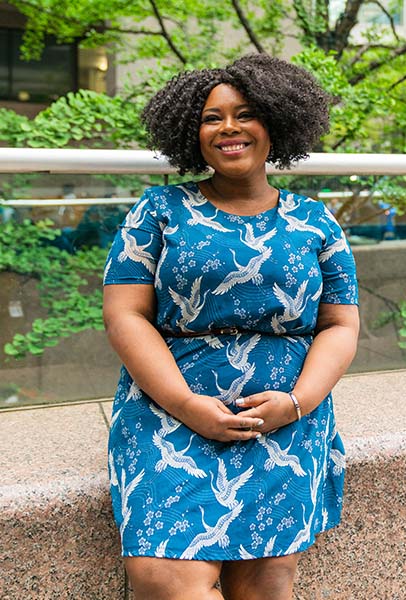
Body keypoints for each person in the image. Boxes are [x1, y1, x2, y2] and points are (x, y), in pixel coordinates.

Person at [102, 53, 360, 600]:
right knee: (163, 578)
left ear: (276, 122)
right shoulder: (159, 209)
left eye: (245, 114)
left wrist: (298, 402)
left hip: (286, 416)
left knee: (265, 581)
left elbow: (340, 324)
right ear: (190, 133)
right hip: (168, 410)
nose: (229, 129)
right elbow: (125, 314)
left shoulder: (315, 220)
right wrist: (185, 403)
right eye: (210, 118)